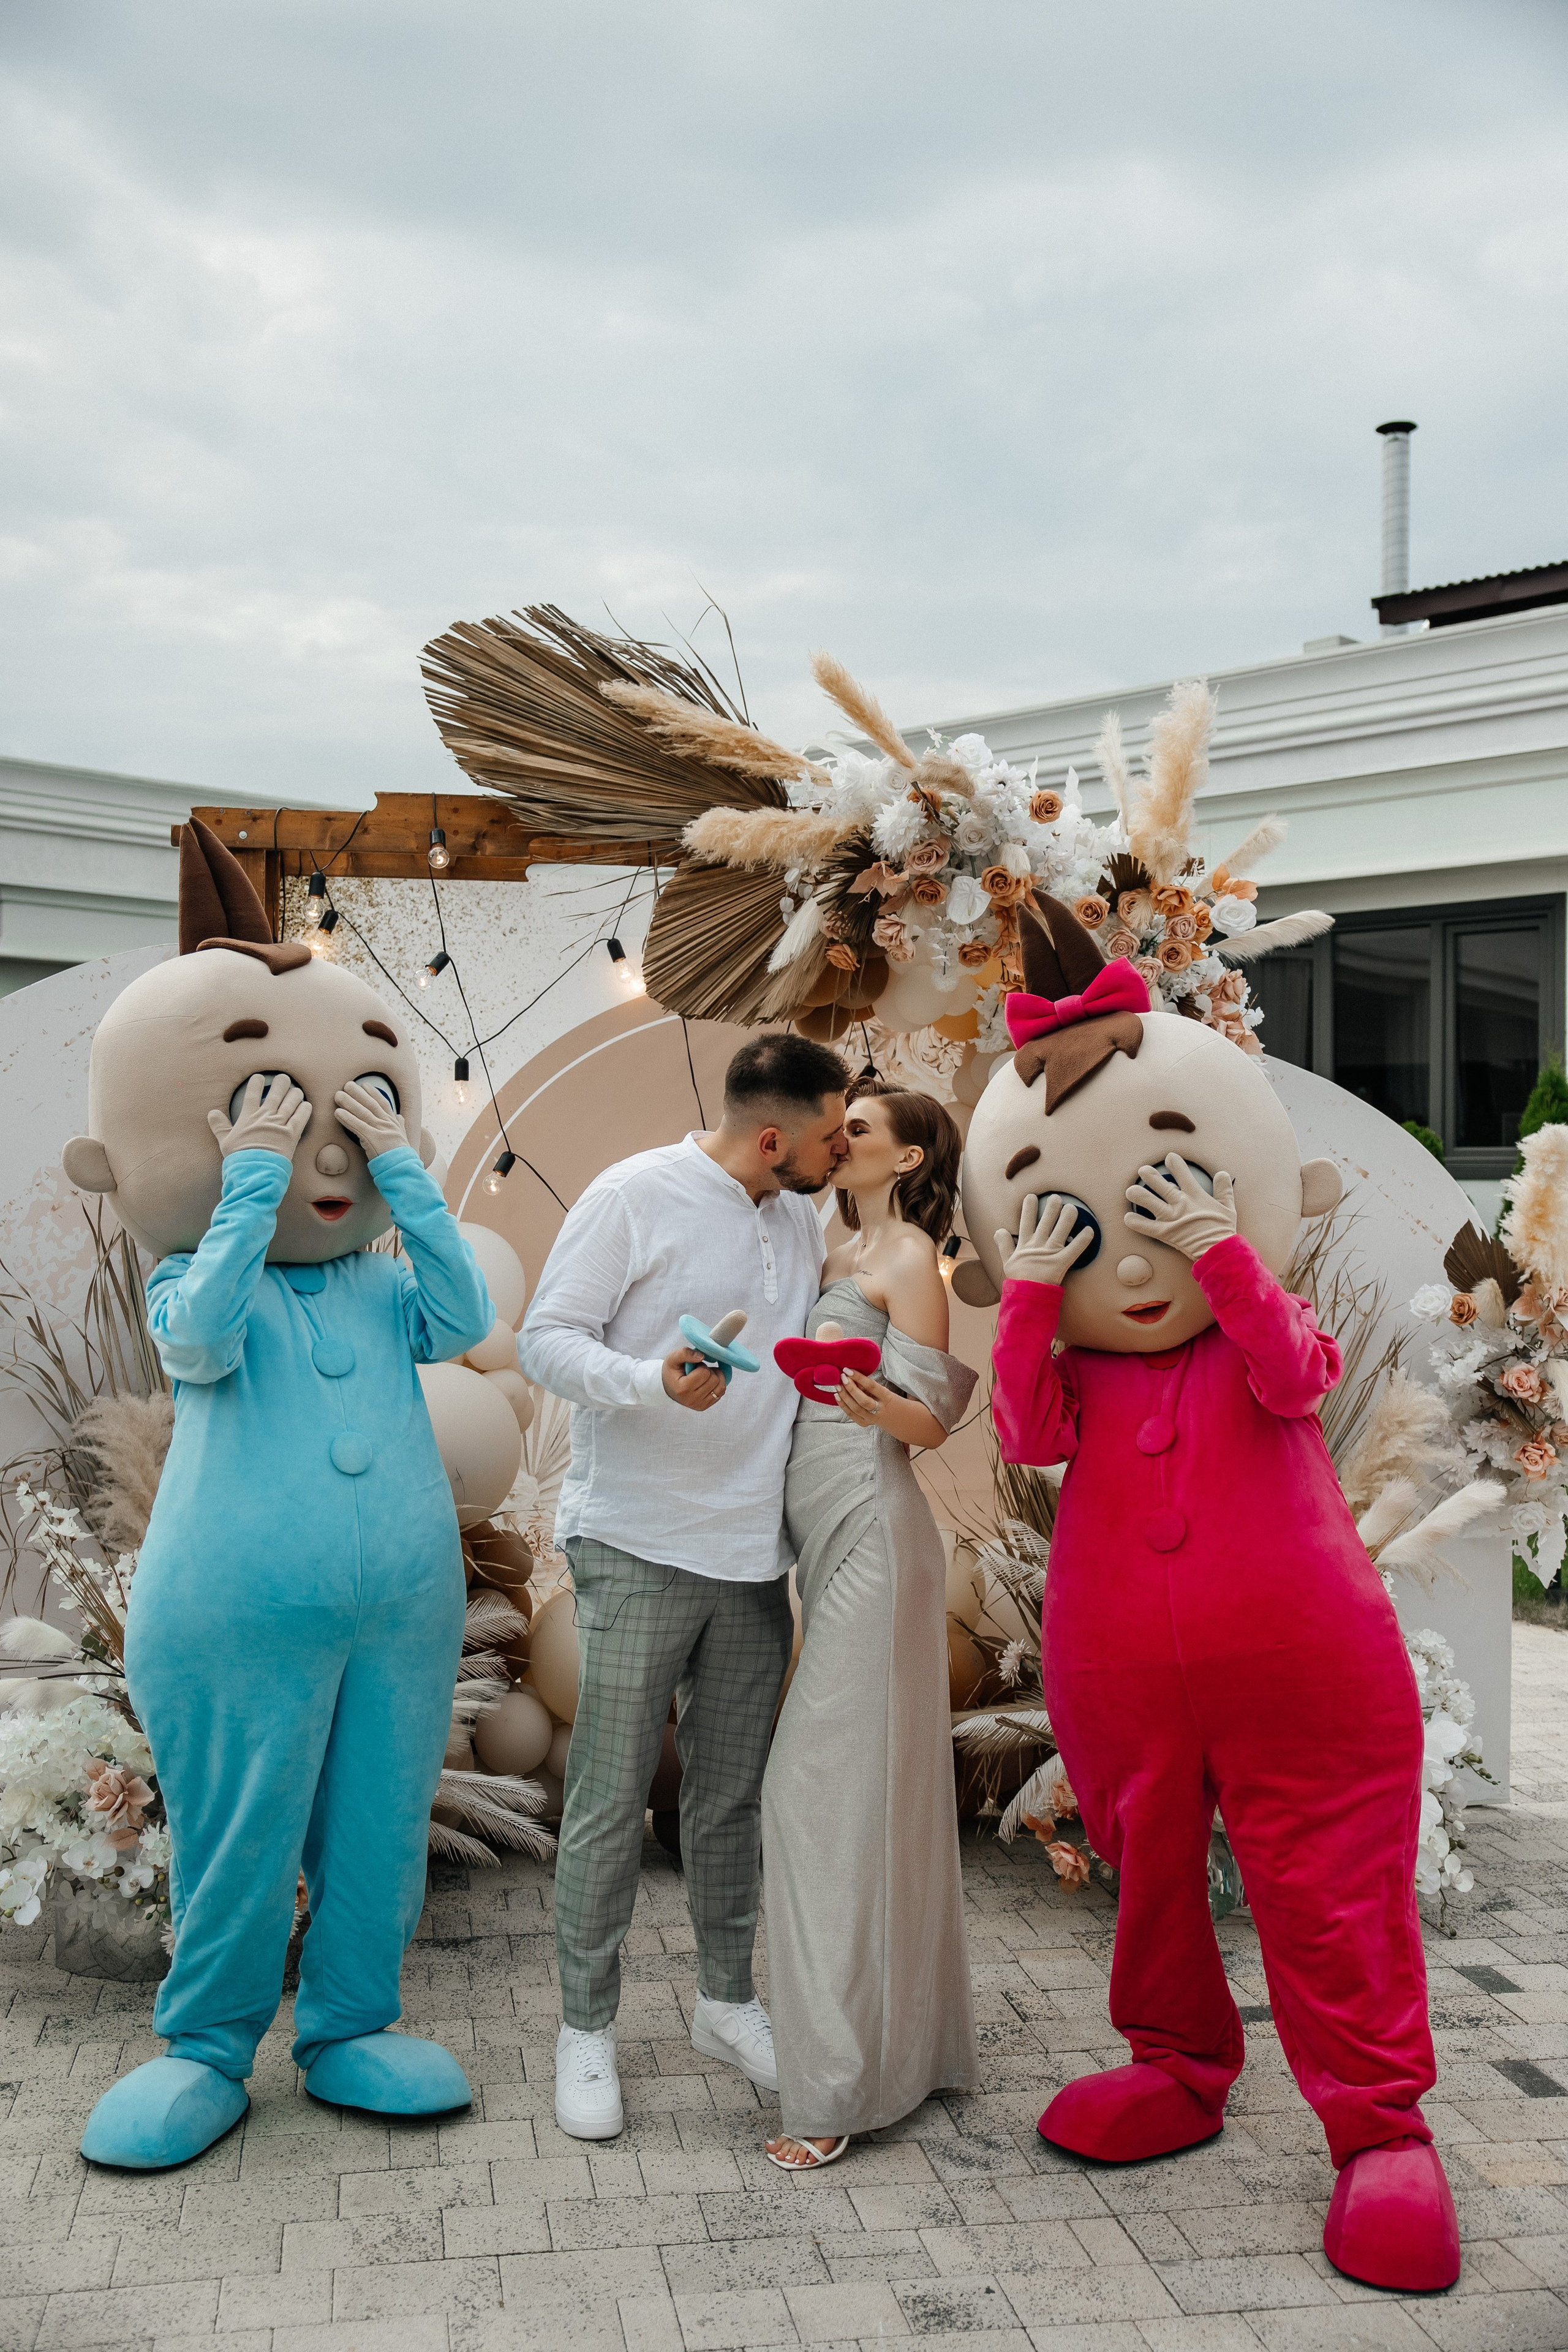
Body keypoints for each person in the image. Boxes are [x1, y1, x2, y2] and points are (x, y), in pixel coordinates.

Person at [518, 1031, 851, 2140]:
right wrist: (651, 1384)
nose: (836, 1151)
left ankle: (725, 2004)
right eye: (827, 1135)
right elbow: (546, 1342)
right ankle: (586, 2032)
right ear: (773, 1137)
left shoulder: (800, 1214)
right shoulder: (631, 1197)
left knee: (727, 1801)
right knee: (610, 1799)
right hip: (638, 1543)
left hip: (756, 1557)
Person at [761, 1077, 980, 2171]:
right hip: (821, 1535)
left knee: (817, 1794)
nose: (835, 1141)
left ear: (905, 1160)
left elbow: (931, 1422)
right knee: (857, 1797)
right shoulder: (824, 1251)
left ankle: (840, 2082)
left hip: (879, 1537)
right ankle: (890, 2049)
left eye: (857, 1132)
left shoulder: (908, 1264)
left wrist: (866, 1399)